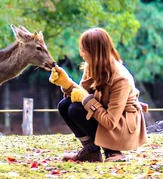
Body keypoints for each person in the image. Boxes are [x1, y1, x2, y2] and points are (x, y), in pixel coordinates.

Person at [49, 28, 147, 162]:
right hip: (104, 114)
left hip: (121, 125)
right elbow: (82, 95)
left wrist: (85, 98)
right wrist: (66, 83)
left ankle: (113, 151)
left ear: (94, 52)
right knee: (65, 105)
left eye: (84, 50)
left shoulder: (120, 78)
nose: (81, 53)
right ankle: (91, 151)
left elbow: (110, 122)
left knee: (75, 109)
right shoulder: (92, 66)